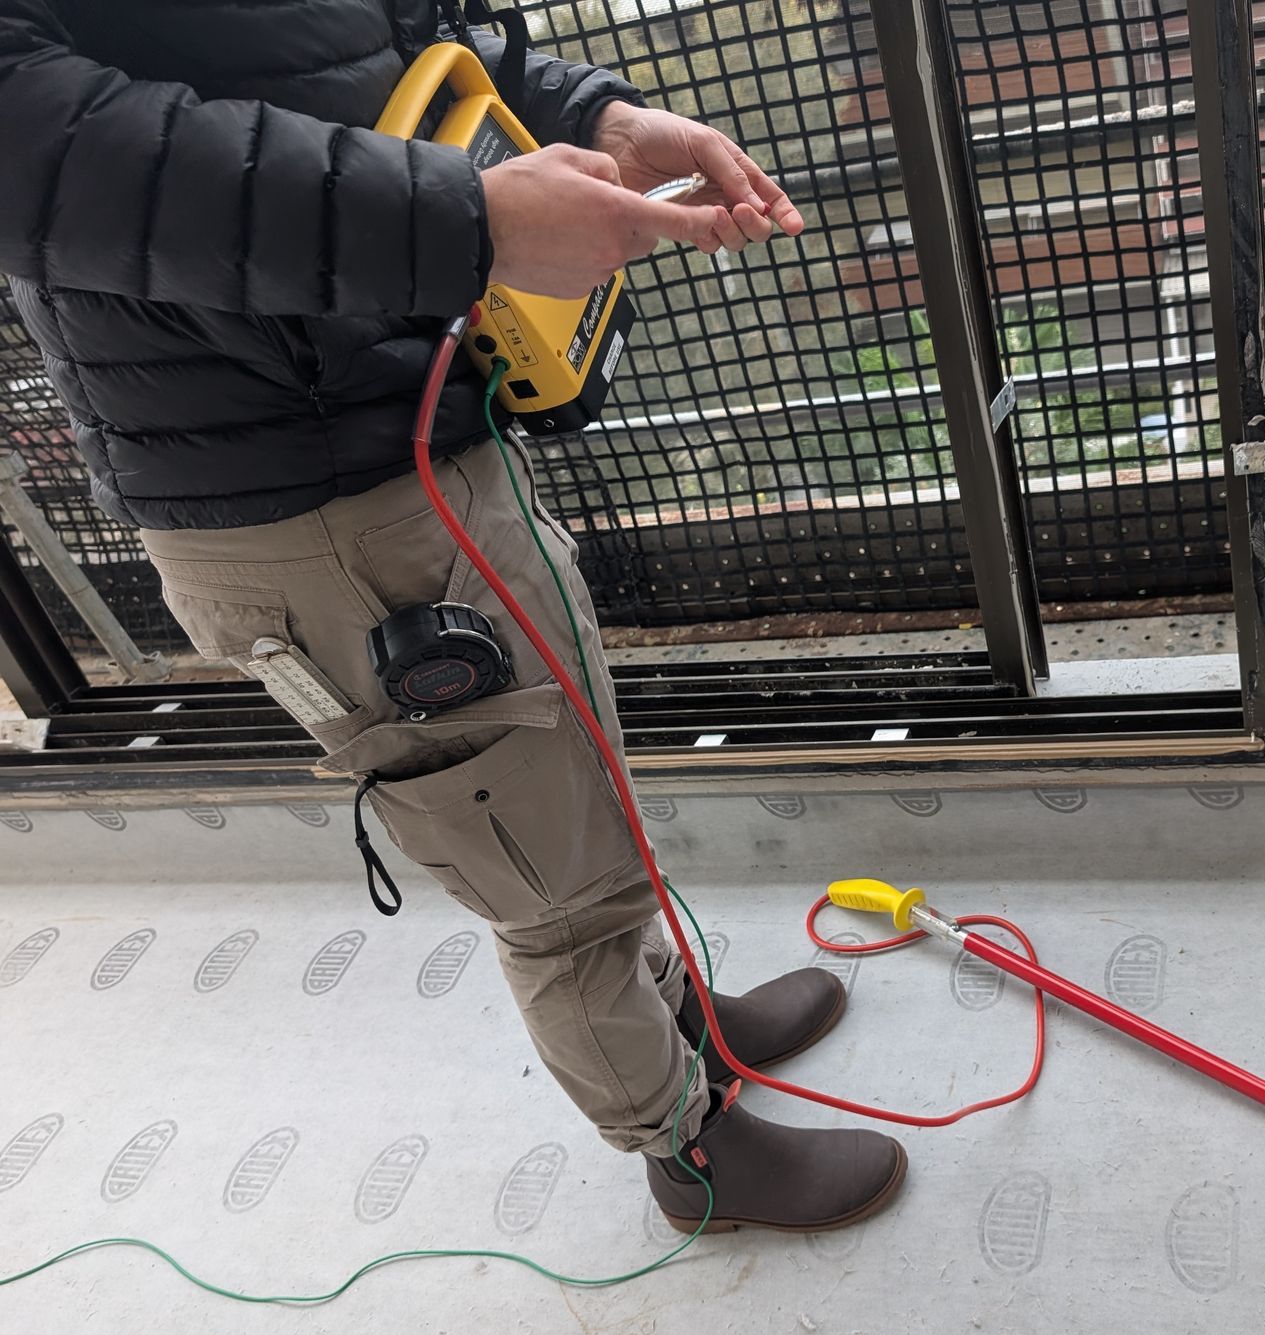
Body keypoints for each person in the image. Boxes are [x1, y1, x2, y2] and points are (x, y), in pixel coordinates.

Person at [0, 0, 908, 1233]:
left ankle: (685, 1027)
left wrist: (595, 116)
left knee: (567, 788)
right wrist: (467, 222)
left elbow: (416, 43)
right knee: (546, 882)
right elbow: (40, 145)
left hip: (415, 422)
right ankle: (689, 1155)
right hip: (300, 493)